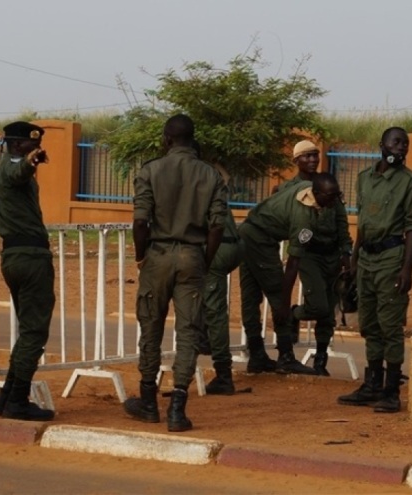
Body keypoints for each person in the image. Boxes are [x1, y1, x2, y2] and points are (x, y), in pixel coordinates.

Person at [123, 114, 227, 432]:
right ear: (193, 140)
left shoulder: (151, 170)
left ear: (166, 139)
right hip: (193, 255)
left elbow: (140, 222)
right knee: (189, 332)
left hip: (157, 254)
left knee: (151, 328)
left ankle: (148, 401)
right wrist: (204, 260)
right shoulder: (211, 175)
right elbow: (218, 226)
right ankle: (177, 409)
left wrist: (141, 257)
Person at [337, 127, 412, 414]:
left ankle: (390, 390)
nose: (401, 148)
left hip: (391, 258)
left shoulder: (410, 183)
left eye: (405, 145)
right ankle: (371, 384)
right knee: (369, 324)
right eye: (396, 142)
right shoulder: (364, 179)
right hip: (366, 260)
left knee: (390, 326)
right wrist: (353, 260)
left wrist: (406, 270)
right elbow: (362, 223)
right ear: (382, 145)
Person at [0, 121, 55, 421]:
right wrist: (29, 163)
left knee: (27, 331)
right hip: (31, 257)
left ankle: (6, 397)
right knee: (34, 332)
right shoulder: (14, 167)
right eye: (29, 145)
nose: (35, 149)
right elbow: (19, 171)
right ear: (16, 146)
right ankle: (17, 401)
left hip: (12, 256)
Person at [238, 174, 344, 376]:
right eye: (330, 196)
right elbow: (293, 262)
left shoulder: (304, 187)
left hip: (247, 231)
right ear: (317, 193)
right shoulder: (306, 220)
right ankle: (286, 355)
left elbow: (278, 192)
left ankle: (256, 354)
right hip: (261, 240)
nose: (334, 201)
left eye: (336, 195)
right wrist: (285, 303)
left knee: (250, 297)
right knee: (278, 294)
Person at [274, 140, 353, 374]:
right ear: (296, 160)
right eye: (306, 156)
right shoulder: (291, 189)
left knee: (328, 312)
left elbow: (341, 222)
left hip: (332, 255)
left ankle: (320, 360)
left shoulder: (327, 184)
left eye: (315, 155)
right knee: (318, 306)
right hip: (308, 255)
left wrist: (346, 252)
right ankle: (295, 313)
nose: (312, 160)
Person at [192, 140, 244, 395]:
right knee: (202, 301)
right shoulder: (211, 175)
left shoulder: (195, 178)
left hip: (218, 248)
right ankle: (205, 343)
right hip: (230, 245)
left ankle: (223, 373)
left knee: (214, 311)